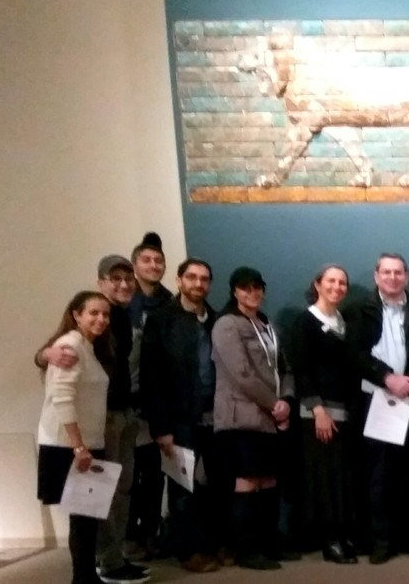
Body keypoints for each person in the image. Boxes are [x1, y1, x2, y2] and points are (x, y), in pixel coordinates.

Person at [38, 256, 148, 584]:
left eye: (128, 278)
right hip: (83, 437)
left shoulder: (106, 331)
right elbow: (61, 391)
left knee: (104, 500)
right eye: (115, 278)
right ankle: (104, 565)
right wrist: (44, 354)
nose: (101, 318)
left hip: (112, 423)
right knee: (94, 505)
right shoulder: (71, 343)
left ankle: (105, 563)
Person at [286, 265, 392, 564]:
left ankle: (343, 535)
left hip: (346, 412)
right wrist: (318, 410)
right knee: (323, 479)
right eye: (330, 281)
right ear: (317, 284)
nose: (337, 287)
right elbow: (301, 369)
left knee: (342, 479)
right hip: (319, 413)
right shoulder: (305, 322)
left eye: (342, 282)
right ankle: (329, 540)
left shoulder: (345, 322)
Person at [344, 253, 409, 564]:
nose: (392, 277)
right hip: (375, 401)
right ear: (376, 276)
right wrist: (387, 378)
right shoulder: (358, 312)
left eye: (398, 272)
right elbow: (354, 353)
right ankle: (382, 540)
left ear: (406, 277)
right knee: (379, 476)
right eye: (386, 272)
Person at [139, 258, 224, 573]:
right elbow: (151, 378)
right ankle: (188, 551)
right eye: (192, 277)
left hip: (216, 416)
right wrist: (161, 428)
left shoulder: (217, 320)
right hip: (179, 419)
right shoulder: (161, 320)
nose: (198, 283)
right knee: (182, 488)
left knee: (216, 483)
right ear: (179, 281)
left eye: (204, 278)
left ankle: (212, 543)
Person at [212, 267, 295, 571]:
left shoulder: (267, 324)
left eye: (257, 287)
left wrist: (286, 401)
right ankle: (247, 550)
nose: (252, 293)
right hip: (242, 417)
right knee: (248, 482)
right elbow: (241, 373)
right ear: (234, 291)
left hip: (271, 417)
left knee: (269, 480)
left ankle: (268, 543)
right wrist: (274, 404)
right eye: (246, 288)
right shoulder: (227, 324)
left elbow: (285, 368)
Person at [36, 292, 113, 584]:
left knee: (86, 517)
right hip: (69, 445)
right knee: (83, 518)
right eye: (93, 313)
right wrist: (78, 446)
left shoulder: (87, 346)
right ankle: (83, 578)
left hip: (87, 443)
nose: (101, 319)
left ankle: (85, 577)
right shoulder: (69, 345)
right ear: (76, 315)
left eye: (105, 314)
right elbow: (62, 398)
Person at [125, 233, 172, 563]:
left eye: (158, 260)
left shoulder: (170, 303)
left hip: (157, 403)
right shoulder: (121, 303)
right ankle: (129, 535)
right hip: (124, 402)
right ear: (135, 265)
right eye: (147, 260)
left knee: (156, 475)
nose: (153, 265)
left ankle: (151, 533)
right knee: (128, 475)